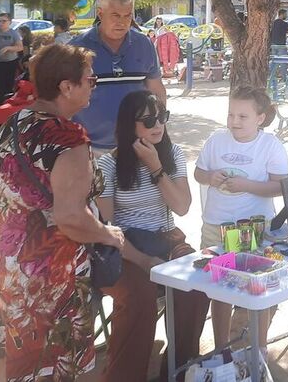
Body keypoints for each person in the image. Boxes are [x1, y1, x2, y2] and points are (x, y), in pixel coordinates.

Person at [0, 43, 125, 382]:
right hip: (43, 268)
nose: (93, 85)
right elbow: (71, 218)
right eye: (90, 80)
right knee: (66, 363)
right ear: (66, 87)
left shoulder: (15, 122)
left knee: (12, 358)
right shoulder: (68, 138)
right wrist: (109, 235)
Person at [96, 91, 208, 382]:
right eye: (147, 120)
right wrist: (143, 259)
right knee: (139, 296)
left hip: (167, 236)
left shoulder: (171, 154)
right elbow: (105, 229)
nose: (157, 125)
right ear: (128, 125)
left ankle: (178, 371)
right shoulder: (108, 166)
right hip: (125, 246)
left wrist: (155, 166)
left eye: (162, 117)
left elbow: (182, 207)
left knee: (196, 284)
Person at [195, 85, 288, 345]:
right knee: (219, 289)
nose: (234, 122)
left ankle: (259, 348)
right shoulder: (216, 140)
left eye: (242, 116)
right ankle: (221, 347)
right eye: (231, 115)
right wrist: (210, 178)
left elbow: (281, 185)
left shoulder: (270, 145)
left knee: (258, 289)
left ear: (260, 118)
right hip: (216, 227)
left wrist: (247, 186)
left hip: (255, 231)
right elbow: (199, 173)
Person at [71, 0, 165, 149]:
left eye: (127, 16)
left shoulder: (144, 45)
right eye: (115, 15)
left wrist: (158, 125)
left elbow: (156, 90)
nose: (121, 22)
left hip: (135, 145)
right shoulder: (77, 48)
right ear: (100, 13)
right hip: (87, 147)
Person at [0, 13, 23, 106]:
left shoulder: (14, 33)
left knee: (8, 87)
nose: (1, 23)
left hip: (10, 63)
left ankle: (7, 107)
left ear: (9, 22)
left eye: (4, 21)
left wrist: (9, 48)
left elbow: (20, 47)